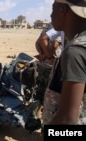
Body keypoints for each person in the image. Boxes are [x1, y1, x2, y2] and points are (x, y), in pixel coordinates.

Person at [41, 0, 86, 130]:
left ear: (62, 10)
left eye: (53, 8)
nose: (50, 15)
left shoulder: (75, 52)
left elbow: (68, 119)